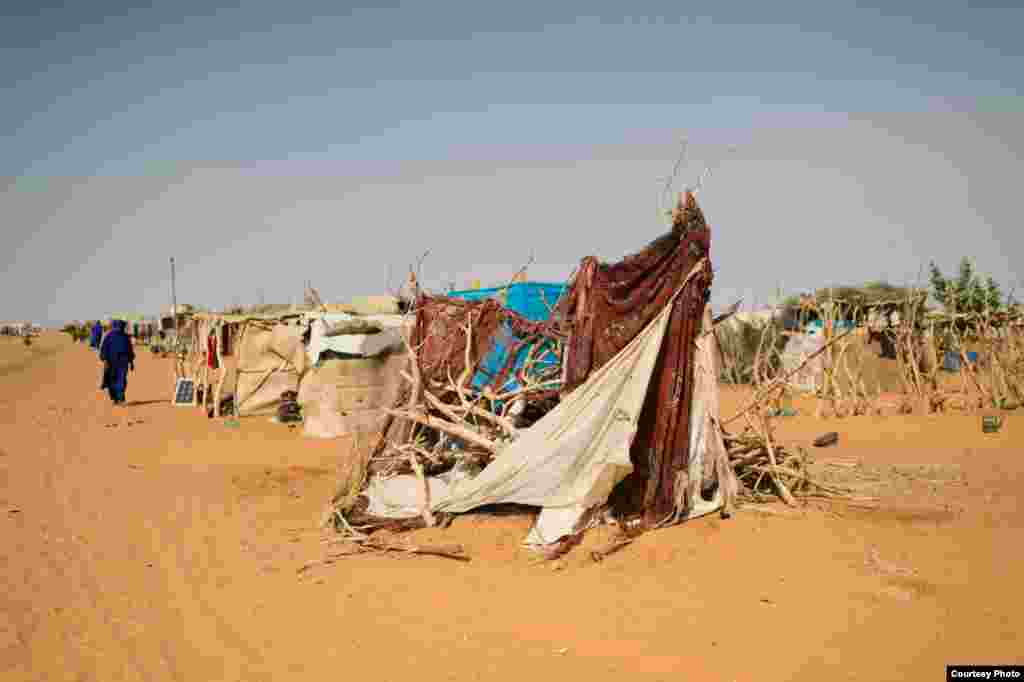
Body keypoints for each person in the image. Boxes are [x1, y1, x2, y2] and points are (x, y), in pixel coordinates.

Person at [99, 319, 135, 405]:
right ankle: (115, 398)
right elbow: (104, 349)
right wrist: (105, 360)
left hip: (123, 363)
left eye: (121, 326)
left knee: (121, 381)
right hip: (111, 363)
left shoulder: (125, 337)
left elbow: (129, 350)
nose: (120, 328)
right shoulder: (109, 336)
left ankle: (120, 398)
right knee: (112, 382)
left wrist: (131, 362)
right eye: (119, 326)